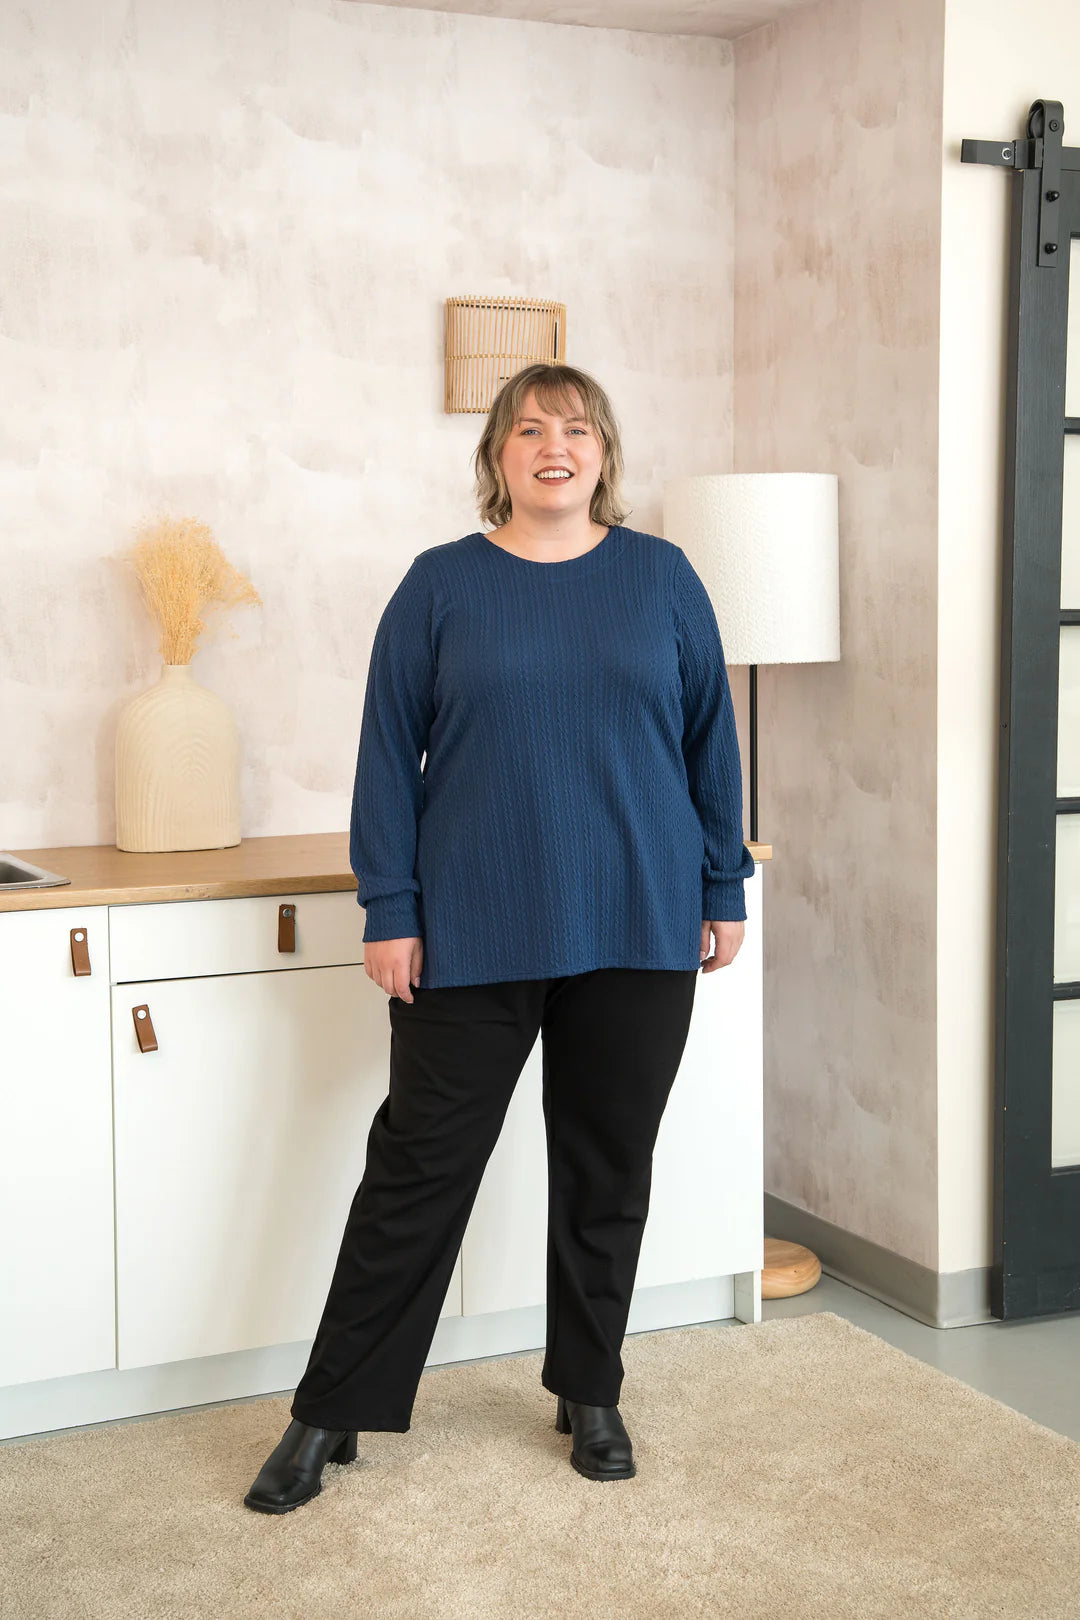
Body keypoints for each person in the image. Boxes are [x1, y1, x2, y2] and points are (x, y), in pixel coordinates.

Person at [244, 361, 755, 1514]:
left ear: (605, 456)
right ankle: (332, 1409)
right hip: (473, 923)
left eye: (576, 430)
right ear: (498, 458)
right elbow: (387, 756)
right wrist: (391, 905)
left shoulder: (664, 580)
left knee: (606, 1164)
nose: (554, 447)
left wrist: (723, 884)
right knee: (418, 1169)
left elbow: (711, 743)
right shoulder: (439, 588)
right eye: (530, 430)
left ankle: (591, 1387)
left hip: (638, 915)